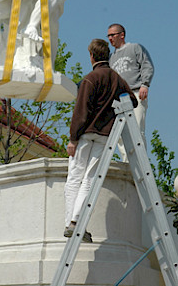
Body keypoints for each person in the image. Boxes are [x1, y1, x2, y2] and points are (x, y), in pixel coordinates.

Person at [64, 38, 137, 243]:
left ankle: (71, 222)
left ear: (92, 56)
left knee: (75, 177)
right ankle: (78, 222)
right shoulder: (116, 79)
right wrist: (113, 110)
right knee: (89, 180)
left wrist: (73, 138)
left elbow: (81, 112)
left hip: (86, 134)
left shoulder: (90, 79)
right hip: (105, 136)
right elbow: (131, 100)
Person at [107, 23, 154, 158]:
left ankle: (140, 162)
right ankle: (127, 162)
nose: (110, 38)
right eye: (108, 35)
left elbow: (147, 66)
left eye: (113, 35)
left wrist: (145, 84)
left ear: (122, 35)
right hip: (119, 99)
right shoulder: (111, 58)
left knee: (137, 129)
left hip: (136, 93)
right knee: (121, 133)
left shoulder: (135, 48)